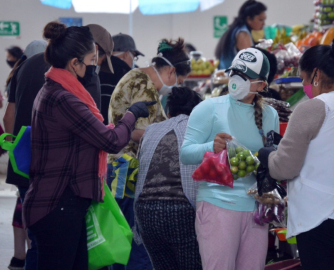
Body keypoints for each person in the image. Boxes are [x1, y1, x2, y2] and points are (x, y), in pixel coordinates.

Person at [22, 21, 154, 270]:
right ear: (75, 63)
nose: (96, 65)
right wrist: (131, 114)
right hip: (56, 206)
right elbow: (110, 140)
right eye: (92, 59)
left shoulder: (54, 90)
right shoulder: (63, 99)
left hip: (62, 203)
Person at [258, 37, 334, 270]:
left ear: (316, 74)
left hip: (323, 218)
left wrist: (267, 155)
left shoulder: (312, 108)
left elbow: (285, 167)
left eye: (304, 79)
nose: (305, 85)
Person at [180, 48, 279, 270]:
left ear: (261, 85)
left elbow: (272, 158)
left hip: (256, 210)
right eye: (234, 73)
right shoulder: (208, 108)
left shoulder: (270, 115)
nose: (236, 80)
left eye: (245, 77)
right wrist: (210, 146)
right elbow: (185, 153)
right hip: (218, 206)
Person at [107, 38, 191, 270]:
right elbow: (138, 133)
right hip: (127, 169)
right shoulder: (143, 84)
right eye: (179, 81)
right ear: (171, 71)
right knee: (136, 242)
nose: (176, 86)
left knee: (126, 242)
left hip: (124, 168)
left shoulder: (139, 79)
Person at [134, 86, 203, 270]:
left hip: (145, 212)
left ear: (169, 111)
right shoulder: (200, 129)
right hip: (182, 211)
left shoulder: (151, 130)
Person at [3, 40, 47, 270]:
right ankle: (29, 256)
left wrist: (15, 148)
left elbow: (8, 118)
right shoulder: (48, 75)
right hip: (41, 159)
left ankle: (20, 257)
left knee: (23, 209)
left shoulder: (17, 74)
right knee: (38, 220)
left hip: (21, 160)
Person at [99, 33, 142, 124]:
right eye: (134, 56)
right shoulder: (128, 76)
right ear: (126, 54)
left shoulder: (96, 72)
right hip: (119, 132)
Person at [215, 0, 267, 70]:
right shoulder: (243, 34)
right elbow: (252, 63)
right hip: (231, 78)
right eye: (260, 20)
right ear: (249, 19)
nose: (263, 24)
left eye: (264, 20)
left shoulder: (236, 29)